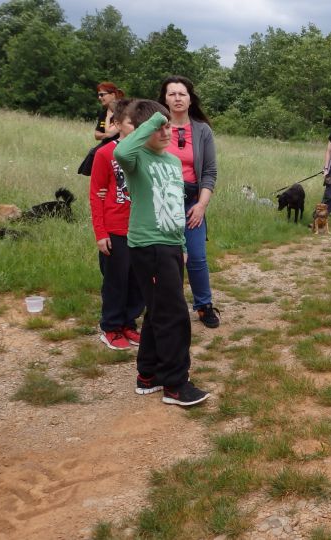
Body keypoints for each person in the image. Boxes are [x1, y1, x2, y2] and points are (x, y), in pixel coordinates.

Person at [113, 99, 209, 406]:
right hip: (148, 247)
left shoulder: (170, 161)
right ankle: (175, 385)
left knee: (158, 310)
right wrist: (152, 122)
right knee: (174, 315)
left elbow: (173, 208)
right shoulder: (137, 157)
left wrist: (181, 245)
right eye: (161, 127)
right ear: (146, 129)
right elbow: (120, 150)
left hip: (169, 245)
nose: (168, 131)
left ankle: (149, 374)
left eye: (169, 125)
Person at [157, 76, 220, 328]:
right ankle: (166, 308)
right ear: (164, 99)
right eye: (172, 94)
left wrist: (202, 205)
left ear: (190, 98)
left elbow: (209, 172)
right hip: (161, 202)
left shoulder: (202, 130)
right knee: (165, 258)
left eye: (182, 94)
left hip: (192, 200)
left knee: (196, 257)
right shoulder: (156, 128)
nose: (177, 98)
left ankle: (204, 306)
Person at [90, 98, 144, 351]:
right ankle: (110, 326)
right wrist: (101, 232)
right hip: (115, 228)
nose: (137, 127)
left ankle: (128, 323)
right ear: (117, 123)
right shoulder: (104, 153)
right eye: (132, 122)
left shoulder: (147, 152)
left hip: (141, 230)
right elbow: (96, 194)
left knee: (137, 280)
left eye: (140, 122)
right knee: (116, 280)